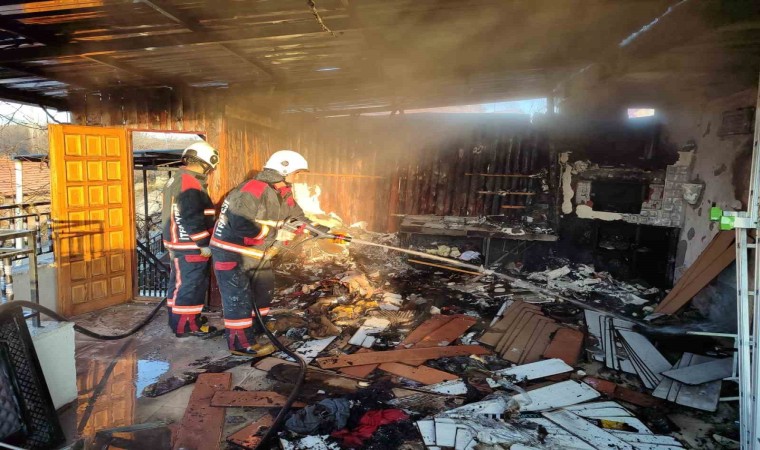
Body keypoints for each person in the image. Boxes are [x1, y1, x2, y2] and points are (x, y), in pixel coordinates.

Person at [210, 150, 330, 355]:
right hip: (232, 252)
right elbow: (241, 224)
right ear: (283, 170)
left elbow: (297, 218)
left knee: (263, 291)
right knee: (239, 298)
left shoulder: (283, 191)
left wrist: (322, 231)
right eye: (296, 173)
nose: (297, 177)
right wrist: (275, 233)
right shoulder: (252, 189)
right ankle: (240, 344)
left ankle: (257, 330)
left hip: (257, 253)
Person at [161, 141, 219, 338]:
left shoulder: (177, 178)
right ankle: (187, 326)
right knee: (191, 286)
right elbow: (190, 216)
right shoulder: (190, 182)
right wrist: (203, 243)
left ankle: (178, 321)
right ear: (206, 163)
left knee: (179, 284)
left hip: (179, 243)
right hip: (190, 245)